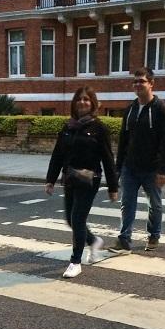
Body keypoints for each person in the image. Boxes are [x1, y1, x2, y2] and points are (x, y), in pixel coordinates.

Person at [44, 86, 118, 278]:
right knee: (70, 219)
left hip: (89, 180)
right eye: (79, 99)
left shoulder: (99, 128)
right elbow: (58, 154)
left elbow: (108, 159)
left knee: (77, 218)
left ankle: (75, 261)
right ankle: (94, 241)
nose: (83, 102)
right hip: (69, 178)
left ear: (92, 103)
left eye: (86, 99)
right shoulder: (68, 127)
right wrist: (50, 179)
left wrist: (113, 186)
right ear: (74, 103)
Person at [108, 66, 165, 254]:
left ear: (151, 84)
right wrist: (118, 167)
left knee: (155, 203)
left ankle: (154, 235)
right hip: (130, 167)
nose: (137, 84)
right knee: (127, 203)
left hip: (152, 168)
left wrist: (164, 170)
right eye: (135, 81)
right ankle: (124, 240)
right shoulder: (130, 109)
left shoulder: (161, 110)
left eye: (142, 81)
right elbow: (123, 139)